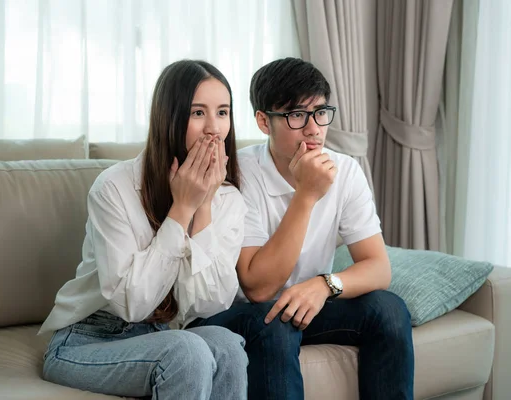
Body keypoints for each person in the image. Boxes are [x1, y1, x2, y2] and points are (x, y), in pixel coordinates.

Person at [189, 57, 414, 400]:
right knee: (276, 322)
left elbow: (378, 267)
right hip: (242, 314)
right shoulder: (238, 173)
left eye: (321, 113)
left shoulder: (346, 171)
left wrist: (326, 284)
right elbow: (257, 287)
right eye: (297, 115)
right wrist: (306, 196)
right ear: (264, 121)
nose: (314, 129)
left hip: (306, 307)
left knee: (389, 309)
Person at [38, 60, 249, 400]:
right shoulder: (114, 188)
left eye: (222, 112)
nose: (214, 128)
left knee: (227, 346)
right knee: (187, 351)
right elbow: (132, 305)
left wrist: (204, 206)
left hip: (158, 334)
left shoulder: (228, 200)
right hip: (87, 339)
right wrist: (182, 209)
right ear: (170, 117)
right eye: (198, 113)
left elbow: (211, 304)